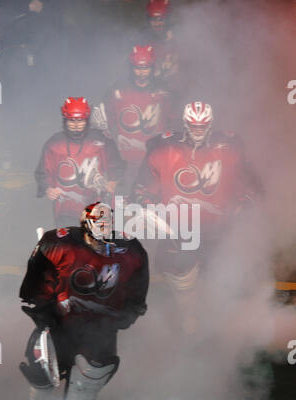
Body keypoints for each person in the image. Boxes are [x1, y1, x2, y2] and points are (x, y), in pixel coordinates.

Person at [19, 201, 149, 400]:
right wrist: (40, 305)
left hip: (100, 327)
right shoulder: (60, 243)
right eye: (98, 221)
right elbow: (37, 274)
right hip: (59, 321)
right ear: (85, 223)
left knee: (89, 378)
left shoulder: (130, 250)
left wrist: (130, 311)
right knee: (42, 374)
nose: (103, 226)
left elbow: (138, 286)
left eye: (107, 221)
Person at [133, 100, 258, 332]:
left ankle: (217, 321)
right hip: (179, 228)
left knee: (220, 275)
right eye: (194, 126)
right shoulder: (163, 147)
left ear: (210, 125)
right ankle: (189, 320)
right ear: (185, 124)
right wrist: (148, 206)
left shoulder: (229, 146)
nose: (198, 131)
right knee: (181, 275)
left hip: (218, 227)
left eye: (202, 126)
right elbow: (141, 188)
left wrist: (244, 202)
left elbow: (249, 182)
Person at [92, 45, 173, 195]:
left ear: (152, 68)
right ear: (131, 67)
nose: (141, 72)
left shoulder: (164, 91)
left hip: (152, 161)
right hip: (123, 160)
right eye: (137, 68)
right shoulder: (117, 89)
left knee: (150, 203)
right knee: (122, 203)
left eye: (146, 68)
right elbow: (105, 122)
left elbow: (172, 123)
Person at [35, 97, 125, 227]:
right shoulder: (54, 144)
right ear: (65, 120)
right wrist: (48, 188)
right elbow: (43, 172)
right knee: (70, 245)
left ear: (87, 120)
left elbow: (118, 166)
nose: (76, 125)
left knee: (98, 245)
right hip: (66, 209)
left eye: (80, 120)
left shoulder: (102, 141)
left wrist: (113, 182)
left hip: (97, 207)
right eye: (72, 120)